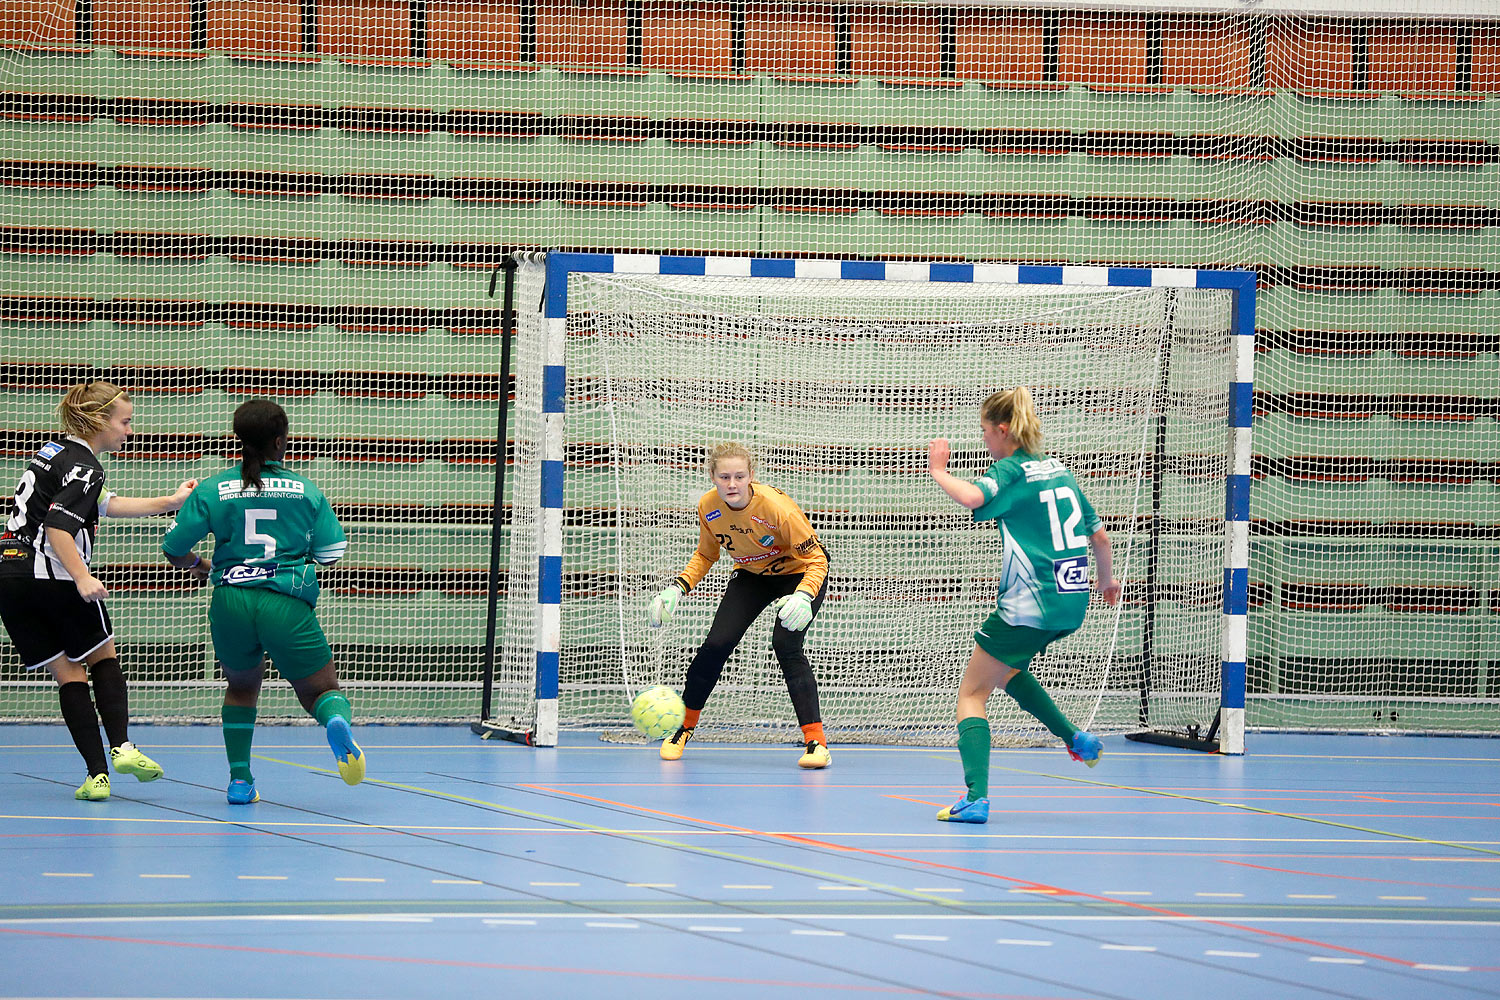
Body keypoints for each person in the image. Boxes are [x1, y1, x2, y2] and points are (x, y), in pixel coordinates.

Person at [927, 387, 1122, 824]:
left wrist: (939, 471)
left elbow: (973, 497)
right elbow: (1101, 536)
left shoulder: (1011, 471)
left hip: (1028, 602)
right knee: (1007, 671)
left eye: (984, 432)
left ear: (1002, 430)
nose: (983, 441)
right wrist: (1106, 580)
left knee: (972, 693)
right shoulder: (1061, 472)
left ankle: (976, 797)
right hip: (1072, 601)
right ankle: (1076, 740)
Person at [0, 381, 198, 801]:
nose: (129, 431)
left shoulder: (53, 454)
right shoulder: (87, 466)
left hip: (10, 580)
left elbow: (103, 504)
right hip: (52, 575)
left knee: (68, 674)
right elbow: (57, 528)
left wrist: (170, 501)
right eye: (125, 422)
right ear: (98, 421)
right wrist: (81, 576)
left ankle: (96, 776)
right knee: (102, 655)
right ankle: (123, 747)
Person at [161, 399, 361, 804]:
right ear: (280, 440)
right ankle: (335, 719)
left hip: (231, 599)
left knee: (241, 686)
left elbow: (173, 548)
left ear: (238, 440)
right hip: (285, 601)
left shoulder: (214, 488)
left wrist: (199, 563)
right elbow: (331, 552)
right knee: (320, 690)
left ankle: (239, 781)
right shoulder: (305, 489)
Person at [648, 443, 832, 768]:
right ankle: (683, 728)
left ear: (751, 476)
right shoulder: (708, 506)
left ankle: (816, 743)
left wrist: (804, 595)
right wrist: (677, 589)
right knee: (715, 645)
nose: (732, 484)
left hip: (800, 574)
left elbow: (816, 559)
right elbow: (706, 554)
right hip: (752, 575)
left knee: (786, 645)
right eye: (724, 477)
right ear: (713, 477)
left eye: (739, 476)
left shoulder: (778, 508)